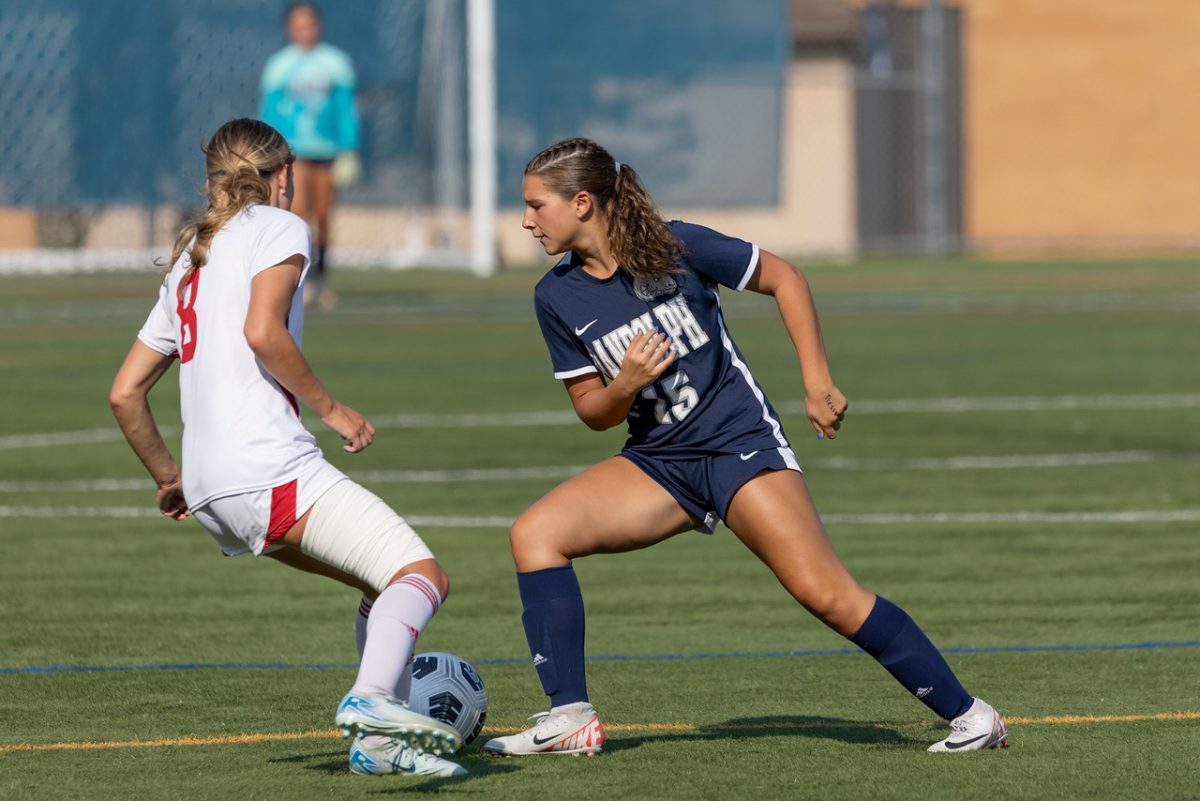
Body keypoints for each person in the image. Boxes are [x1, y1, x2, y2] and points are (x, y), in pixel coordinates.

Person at [482, 137, 1009, 757]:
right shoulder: (556, 296)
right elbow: (593, 413)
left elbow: (785, 278)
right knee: (535, 535)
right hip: (660, 464)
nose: (525, 220)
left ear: (580, 203)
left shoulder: (675, 245)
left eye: (535, 205)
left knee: (826, 594)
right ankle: (569, 718)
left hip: (740, 445)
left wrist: (817, 383)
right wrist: (624, 384)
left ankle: (973, 716)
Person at [109, 118, 465, 779]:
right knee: (423, 576)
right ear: (280, 176)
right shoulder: (278, 226)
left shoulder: (191, 260)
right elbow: (262, 330)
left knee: (378, 581)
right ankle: (374, 701)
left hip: (216, 488)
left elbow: (125, 393)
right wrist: (333, 410)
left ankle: (377, 745)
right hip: (265, 466)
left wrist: (171, 475)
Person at [259, 2, 360, 310]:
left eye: (309, 23)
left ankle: (322, 279)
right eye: (298, 24)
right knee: (297, 213)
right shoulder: (279, 66)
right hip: (293, 153)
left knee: (324, 217)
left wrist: (349, 149)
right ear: (290, 28)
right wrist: (269, 152)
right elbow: (270, 112)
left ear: (318, 25)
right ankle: (296, 280)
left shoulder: (336, 63)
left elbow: (346, 110)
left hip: (327, 152)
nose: (304, 29)